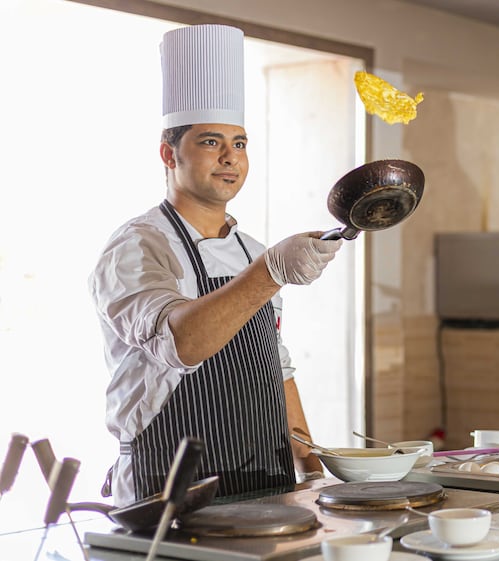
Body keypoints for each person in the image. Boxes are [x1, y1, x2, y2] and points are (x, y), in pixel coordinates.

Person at [89, 24, 341, 505]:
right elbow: (181, 343)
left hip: (266, 485)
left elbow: (275, 366)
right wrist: (269, 272)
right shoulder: (137, 247)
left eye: (240, 144)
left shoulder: (251, 249)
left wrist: (312, 468)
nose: (230, 157)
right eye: (210, 142)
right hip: (168, 488)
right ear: (168, 154)